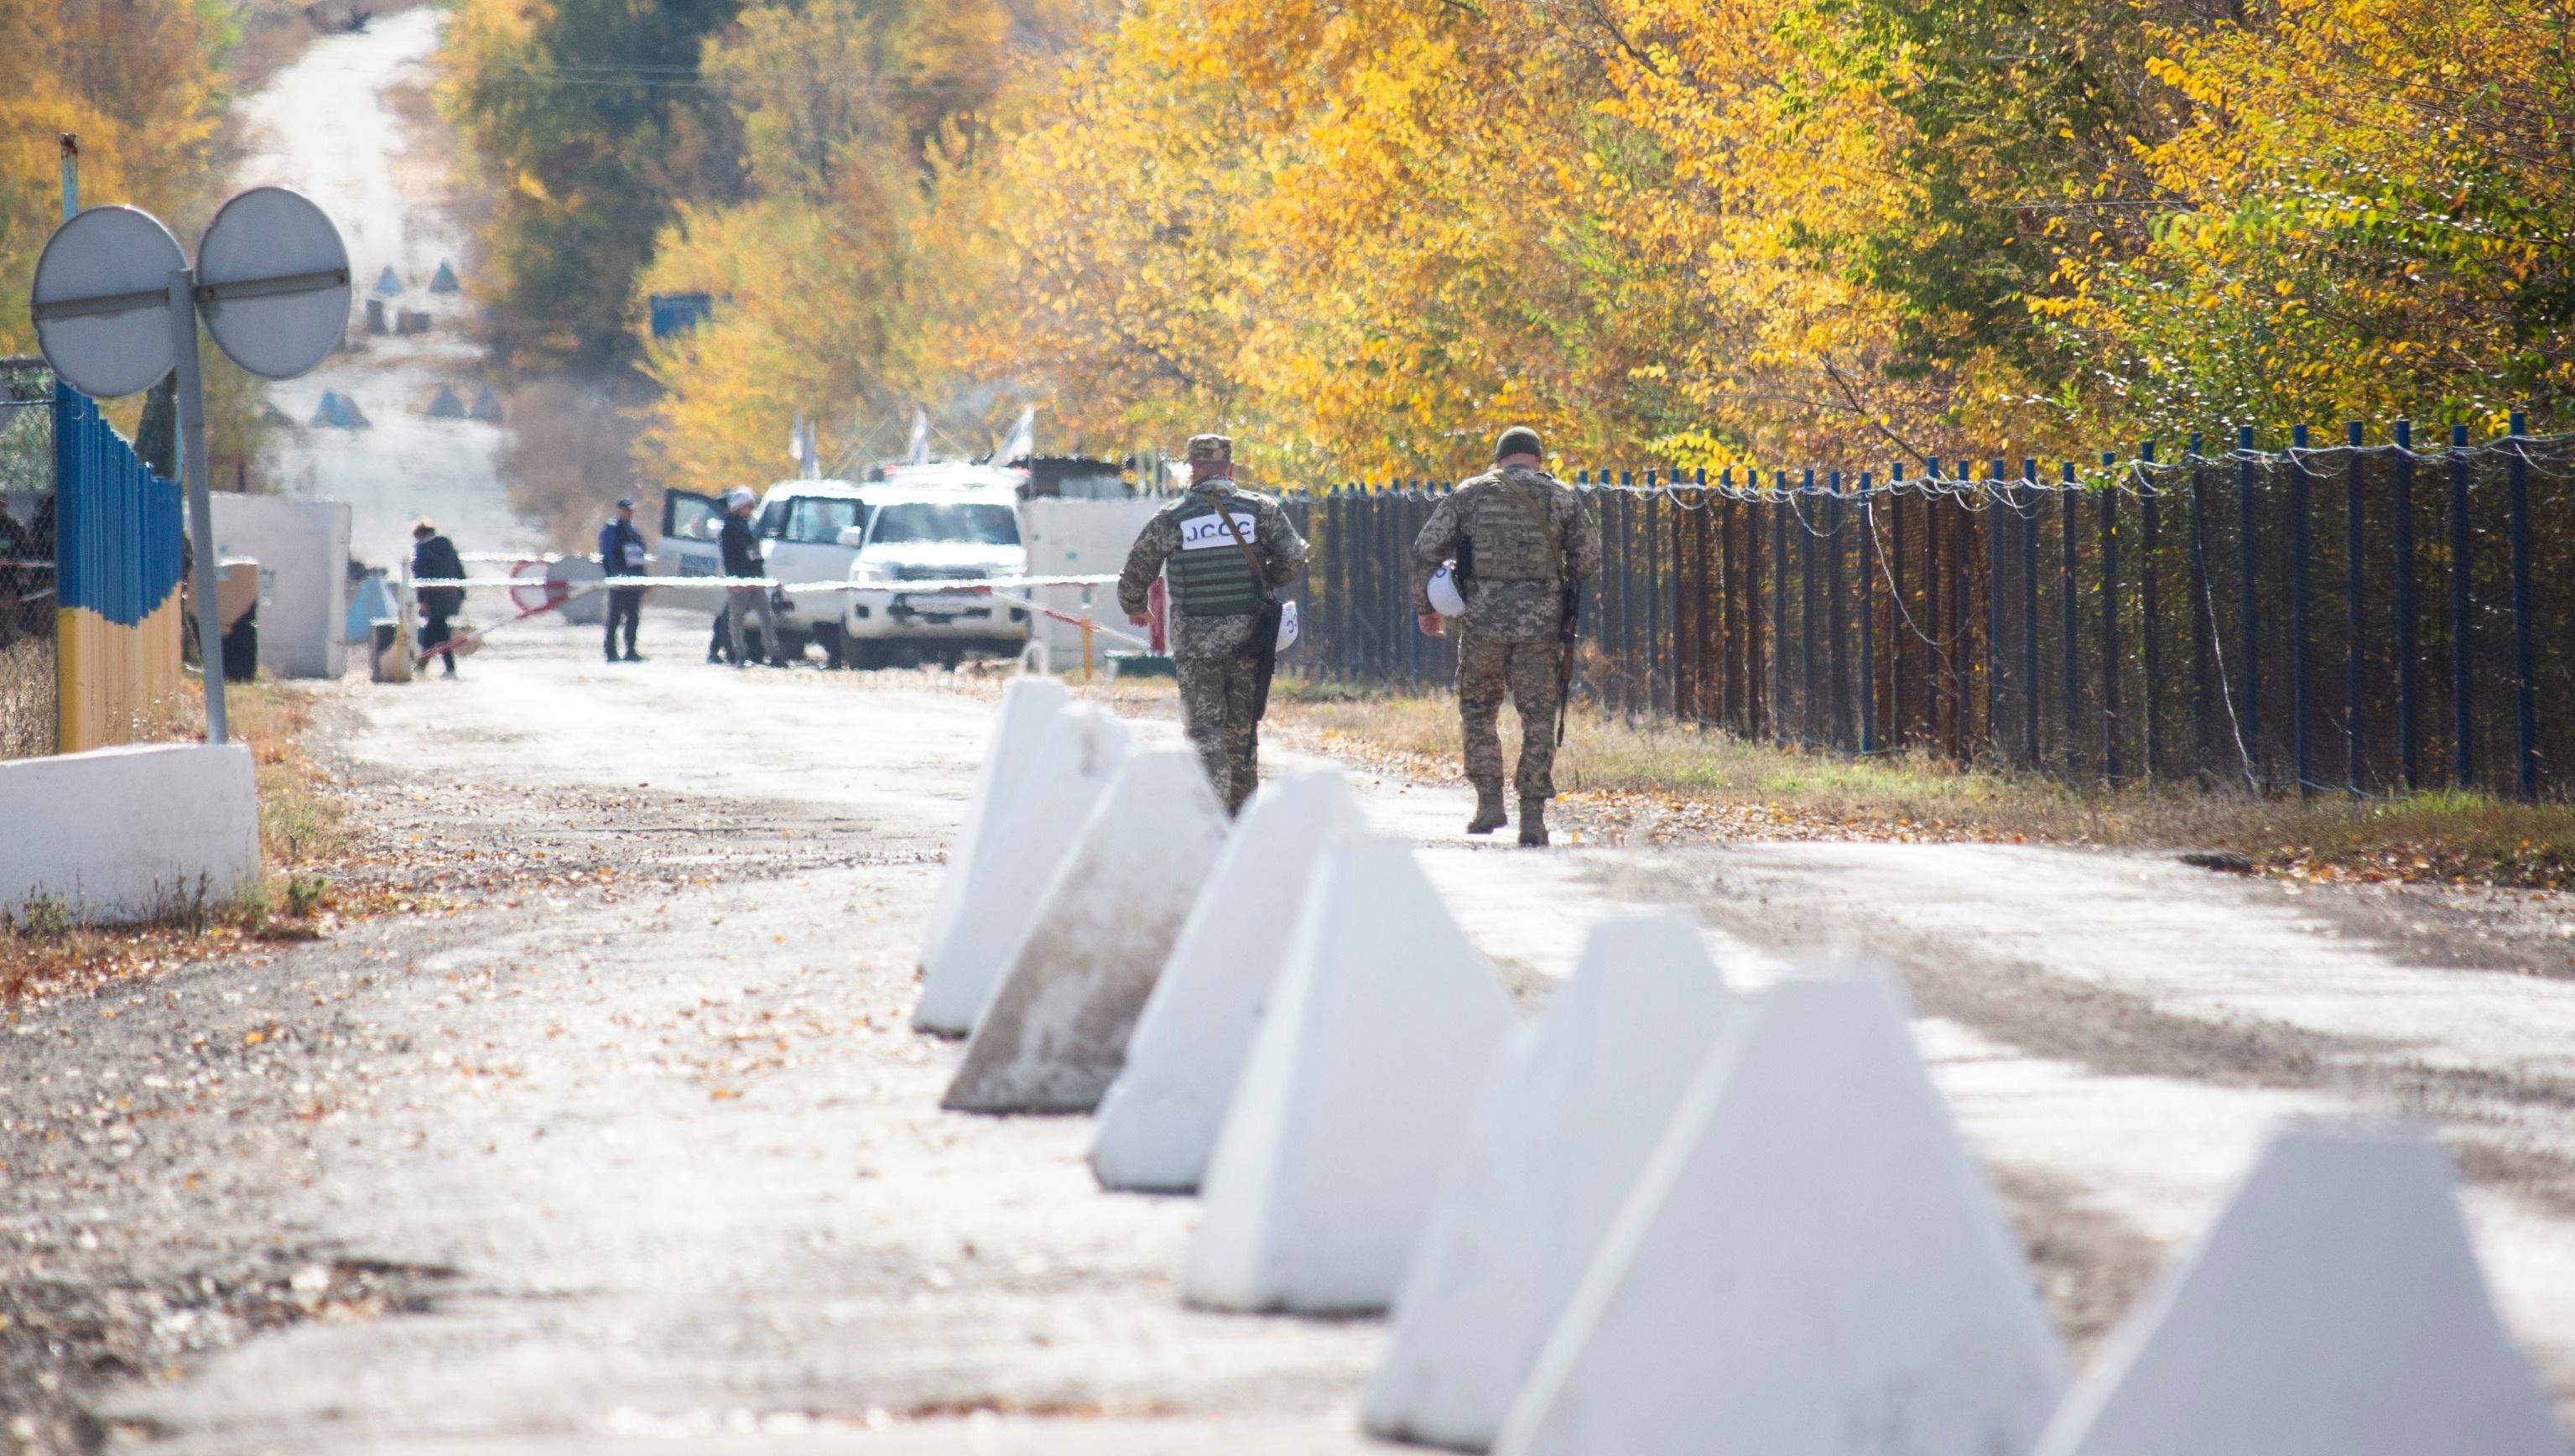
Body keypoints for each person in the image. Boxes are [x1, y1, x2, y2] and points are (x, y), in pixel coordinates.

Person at [1412, 425, 1600, 845]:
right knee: (1537, 716)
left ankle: (1489, 802)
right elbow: (1588, 557)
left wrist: (1428, 610)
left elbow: (1426, 549)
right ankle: (1532, 817)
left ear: (1500, 459)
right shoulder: (1561, 496)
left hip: (1483, 625)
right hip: (1541, 628)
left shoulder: (1470, 493)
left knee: (1478, 710)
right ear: (1537, 458)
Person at [1118, 434, 1308, 815]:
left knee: (1204, 732)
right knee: (1241, 733)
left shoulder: (1174, 516)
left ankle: (1208, 816)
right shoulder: (1261, 510)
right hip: (1249, 639)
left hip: (1196, 644)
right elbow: (1294, 557)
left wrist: (1137, 607)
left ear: (1192, 470)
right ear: (1231, 468)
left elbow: (1136, 572)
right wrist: (1263, 581)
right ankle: (1241, 821)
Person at [719, 486, 783, 668]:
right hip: (740, 580)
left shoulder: (748, 526)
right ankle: (739, 654)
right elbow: (730, 558)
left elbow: (754, 554)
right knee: (737, 618)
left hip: (755, 580)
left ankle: (774, 653)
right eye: (747, 506)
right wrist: (734, 581)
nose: (750, 510)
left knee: (766, 616)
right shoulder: (730, 529)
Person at [410, 517, 467, 678]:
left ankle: (450, 669)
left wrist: (422, 600)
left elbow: (422, 578)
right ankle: (421, 665)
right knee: (433, 629)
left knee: (440, 632)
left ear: (419, 534)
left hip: (432, 596)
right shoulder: (447, 546)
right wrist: (461, 593)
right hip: (451, 594)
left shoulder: (423, 549)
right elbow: (460, 570)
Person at [597, 495, 648, 663]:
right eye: (625, 510)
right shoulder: (611, 530)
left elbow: (640, 556)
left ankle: (631, 650)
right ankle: (611, 650)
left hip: (635, 581)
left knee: (633, 616)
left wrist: (643, 578)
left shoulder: (634, 532)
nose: (628, 513)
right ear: (618, 510)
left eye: (630, 510)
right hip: (619, 580)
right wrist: (614, 577)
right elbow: (608, 556)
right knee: (615, 616)